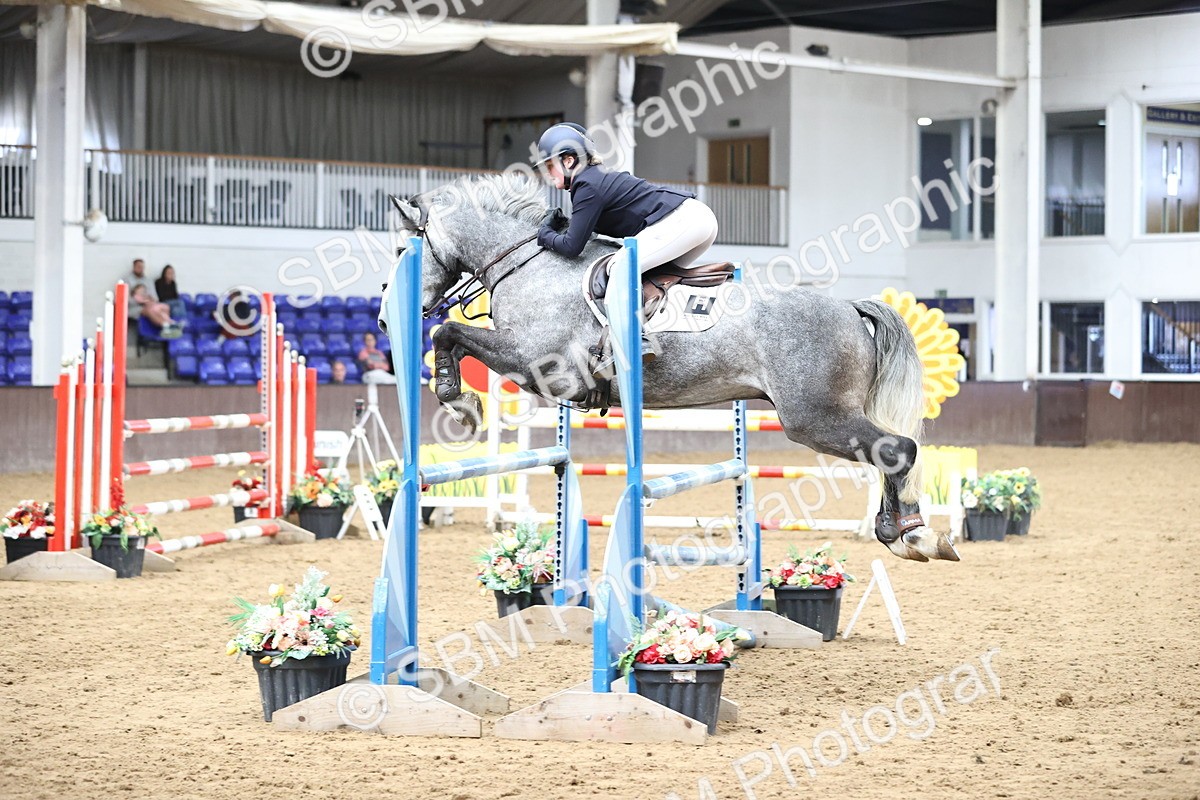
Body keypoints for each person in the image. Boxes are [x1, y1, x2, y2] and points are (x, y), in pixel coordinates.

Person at [532, 122, 719, 360]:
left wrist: (545, 234)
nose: (547, 172)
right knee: (651, 282)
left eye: (550, 165)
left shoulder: (587, 185)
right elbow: (585, 234)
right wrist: (564, 225)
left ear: (568, 161)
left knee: (619, 268)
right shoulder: (592, 180)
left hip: (685, 221)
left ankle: (638, 341)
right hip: (696, 221)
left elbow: (571, 247)